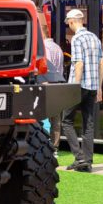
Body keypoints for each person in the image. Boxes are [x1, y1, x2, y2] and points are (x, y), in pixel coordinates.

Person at [61, 9, 103, 173]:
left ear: (72, 22)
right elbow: (101, 64)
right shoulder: (95, 38)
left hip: (79, 86)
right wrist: (99, 87)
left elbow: (79, 65)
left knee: (66, 121)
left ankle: (79, 158)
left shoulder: (77, 38)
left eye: (68, 23)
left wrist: (74, 87)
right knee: (89, 123)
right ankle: (87, 161)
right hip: (93, 86)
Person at [40, 14, 65, 155]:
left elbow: (45, 68)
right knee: (56, 118)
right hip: (58, 84)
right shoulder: (58, 48)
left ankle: (45, 145)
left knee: (44, 117)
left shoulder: (45, 48)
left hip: (47, 83)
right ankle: (55, 147)